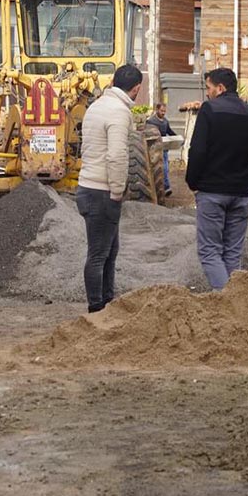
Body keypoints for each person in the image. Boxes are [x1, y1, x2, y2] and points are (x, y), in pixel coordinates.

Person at [185, 68, 248, 290]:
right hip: (240, 194)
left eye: (209, 88)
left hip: (212, 191)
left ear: (220, 88)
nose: (207, 93)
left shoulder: (210, 110)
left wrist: (193, 181)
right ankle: (233, 303)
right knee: (232, 253)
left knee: (209, 251)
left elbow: (197, 151)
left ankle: (226, 300)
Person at [76, 64, 142, 313]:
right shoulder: (118, 112)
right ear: (136, 88)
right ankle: (96, 308)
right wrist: (117, 191)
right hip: (102, 191)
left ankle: (107, 304)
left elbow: (88, 147)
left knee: (108, 251)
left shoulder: (96, 106)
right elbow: (116, 154)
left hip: (87, 186)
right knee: (98, 254)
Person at [145, 101, 175, 195]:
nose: (163, 113)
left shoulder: (165, 121)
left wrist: (178, 138)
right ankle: (161, 187)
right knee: (157, 168)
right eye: (162, 111)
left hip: (164, 148)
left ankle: (166, 187)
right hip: (154, 149)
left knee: (165, 168)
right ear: (157, 110)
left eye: (164, 111)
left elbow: (169, 131)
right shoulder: (151, 121)